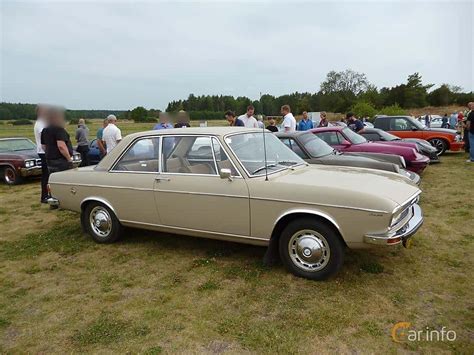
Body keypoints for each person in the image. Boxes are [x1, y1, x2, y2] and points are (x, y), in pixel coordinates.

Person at [41, 106, 74, 173]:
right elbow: (61, 146)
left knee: (53, 178)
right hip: (61, 161)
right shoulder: (59, 129)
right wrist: (69, 159)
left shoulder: (45, 130)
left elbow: (43, 146)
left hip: (49, 160)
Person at [34, 104, 50, 203]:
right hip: (44, 152)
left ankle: (46, 195)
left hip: (44, 151)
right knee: (46, 175)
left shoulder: (42, 123)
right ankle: (44, 196)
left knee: (47, 175)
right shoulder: (40, 123)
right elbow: (45, 137)